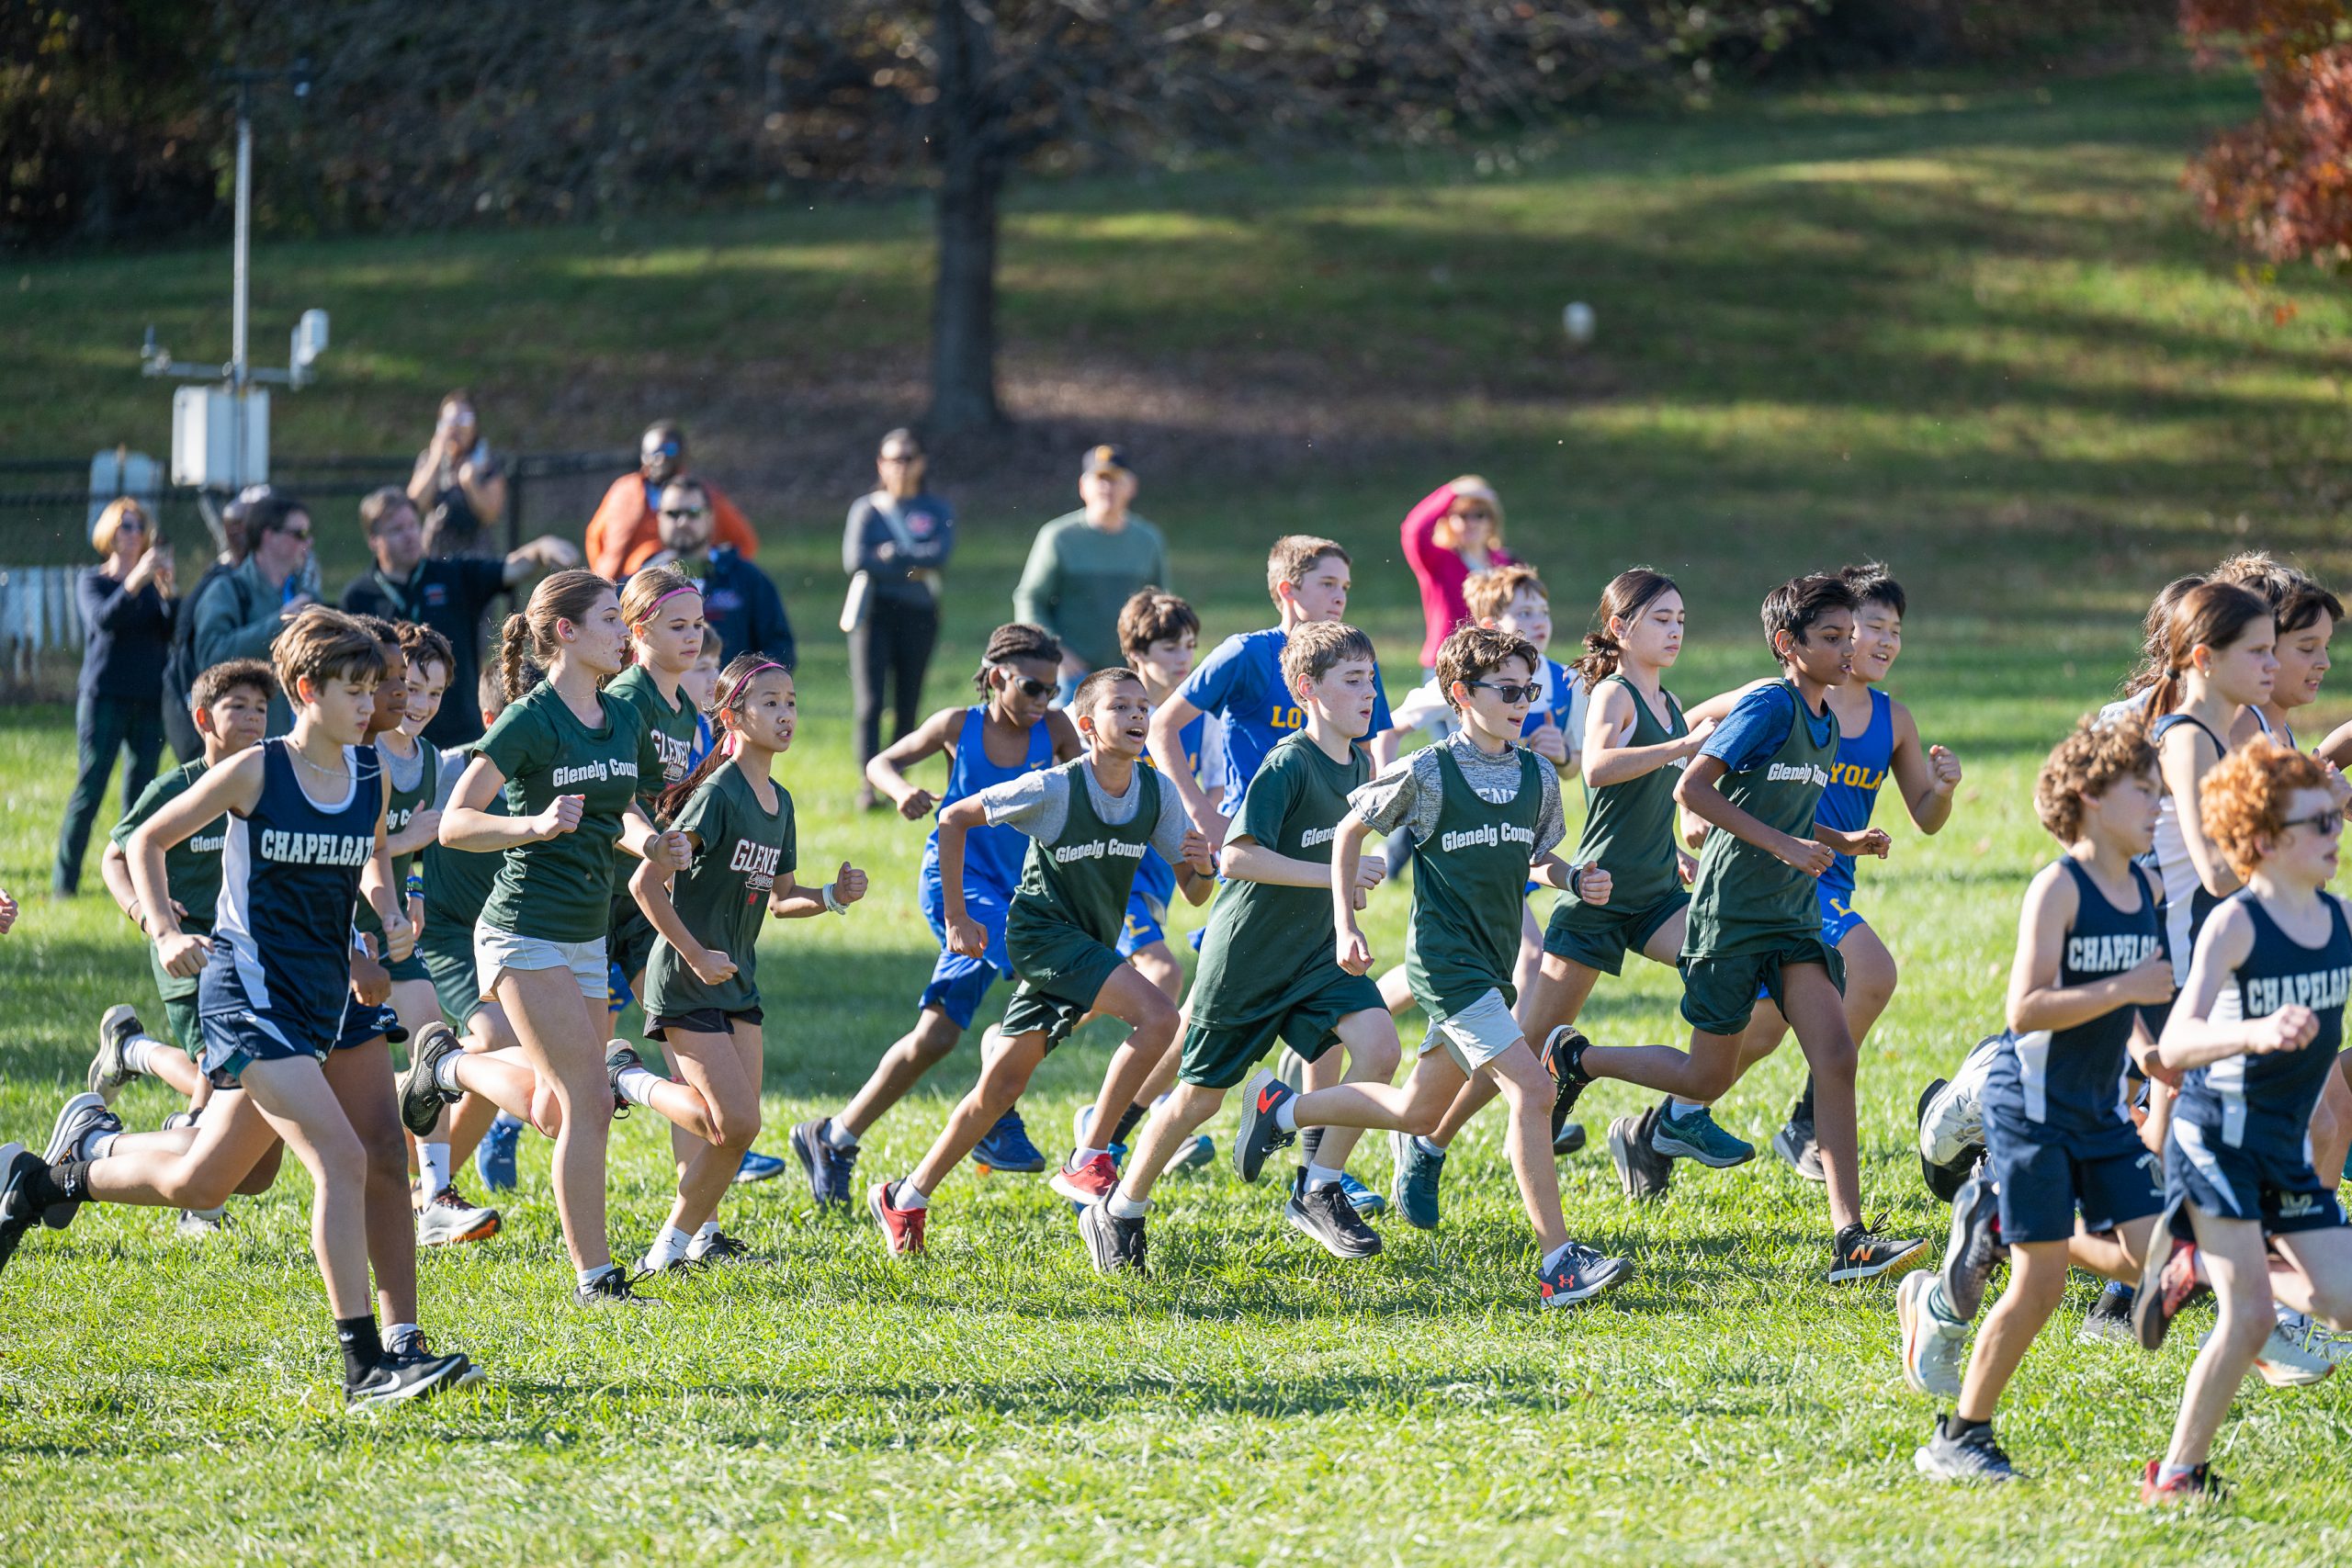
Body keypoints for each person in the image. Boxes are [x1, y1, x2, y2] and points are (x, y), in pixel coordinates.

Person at [0, 608, 474, 1405]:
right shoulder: (257, 771)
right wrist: (160, 930)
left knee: (213, 1180)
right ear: (304, 691)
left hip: (324, 995)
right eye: (354, 689)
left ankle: (52, 1178)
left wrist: (384, 920)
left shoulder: (369, 775)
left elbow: (368, 859)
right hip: (247, 997)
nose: (373, 703)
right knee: (343, 1158)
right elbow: (145, 841)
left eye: (375, 688)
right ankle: (366, 1369)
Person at [1548, 574, 1927, 1280]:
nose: (1850, 650)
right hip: (1730, 918)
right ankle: (1579, 1059)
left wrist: (1840, 843)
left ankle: (1851, 1238)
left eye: (1854, 636)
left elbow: (1783, 802)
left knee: (1835, 1054)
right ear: (1788, 644)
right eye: (1833, 638)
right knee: (1707, 1076)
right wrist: (1786, 846)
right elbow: (1694, 787)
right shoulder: (1766, 704)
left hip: (1791, 915)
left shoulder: (1822, 717)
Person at [1294, 623, 1630, 1305]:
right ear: (1460, 693)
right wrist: (1345, 924)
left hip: (1493, 964)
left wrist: (1574, 878)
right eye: (1506, 689)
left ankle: (1281, 1111)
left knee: (1419, 1112)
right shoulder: (1429, 770)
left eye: (1529, 689)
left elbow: (1533, 854)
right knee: (1535, 1091)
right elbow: (1350, 827)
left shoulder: (1536, 773)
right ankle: (1558, 1263)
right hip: (1446, 968)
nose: (1522, 702)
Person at [1392, 569, 1714, 1230]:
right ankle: (1429, 1142)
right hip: (1593, 899)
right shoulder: (1613, 695)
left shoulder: (1670, 701)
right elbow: (1596, 770)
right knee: (1522, 1040)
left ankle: (1684, 1113)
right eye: (1661, 618)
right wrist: (1681, 748)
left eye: (1681, 618)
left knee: (1719, 963)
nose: (1675, 629)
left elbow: (1633, 795)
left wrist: (1673, 847)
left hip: (1652, 892)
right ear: (1621, 628)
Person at [1898, 718, 2173, 1482]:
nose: (2157, 806)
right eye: (2142, 792)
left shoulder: (2144, 885)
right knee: (2040, 1284)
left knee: (2155, 1258)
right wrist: (2126, 990)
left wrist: (2156, 1055)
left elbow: (2142, 1000)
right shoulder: (2060, 886)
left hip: (2099, 1105)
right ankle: (1960, 1435)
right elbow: (2025, 1008)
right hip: (2035, 1103)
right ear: (2087, 798)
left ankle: (1994, 1216)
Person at [866, 669, 1213, 1254]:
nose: (1136, 717)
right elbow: (953, 819)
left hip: (1086, 946)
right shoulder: (1055, 788)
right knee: (1159, 1017)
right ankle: (1091, 1154)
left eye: (1143, 707)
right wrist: (957, 916)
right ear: (1085, 727)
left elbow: (1197, 891)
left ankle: (904, 1196)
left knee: (999, 1088)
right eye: (1120, 707)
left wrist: (1201, 863)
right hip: (1041, 937)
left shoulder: (1156, 794)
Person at [1083, 623, 1390, 1269]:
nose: (1370, 693)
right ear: (1308, 689)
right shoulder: (1288, 763)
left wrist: (1349, 901)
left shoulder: (1360, 763)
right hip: (1248, 954)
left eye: (1372, 678)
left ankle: (1320, 1186)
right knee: (1199, 1098)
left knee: (1381, 1049)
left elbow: (1338, 848)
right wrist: (1336, 873)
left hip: (1314, 953)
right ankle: (1120, 1207)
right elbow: (1241, 860)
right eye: (1354, 680)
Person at [435, 570, 692, 1304]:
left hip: (587, 937)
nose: (625, 631)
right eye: (613, 618)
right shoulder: (530, 719)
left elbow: (627, 810)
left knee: (559, 1108)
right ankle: (596, 1278)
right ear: (567, 633)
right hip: (522, 932)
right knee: (586, 1094)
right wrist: (534, 825)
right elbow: (456, 822)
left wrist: (652, 845)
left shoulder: (621, 716)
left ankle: (448, 1069)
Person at [1145, 536, 1395, 1213]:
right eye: (1327, 584)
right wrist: (1202, 811)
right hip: (1259, 860)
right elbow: (1166, 727)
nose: (1340, 596)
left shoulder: (1352, 666)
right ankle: (1117, 1135)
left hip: (1314, 870)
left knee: (1343, 1028)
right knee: (1195, 1035)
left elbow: (1379, 750)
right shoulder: (1248, 658)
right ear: (1288, 590)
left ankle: (1316, 1173)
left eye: (1346, 585)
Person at [2132, 739, 2352, 1504]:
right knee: (2251, 1313)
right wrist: (2253, 1033)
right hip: (2215, 1140)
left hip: (2283, 1149)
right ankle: (2176, 1474)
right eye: (2318, 822)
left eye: (2337, 815)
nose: (2337, 831)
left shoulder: (2341, 917)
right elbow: (2175, 1044)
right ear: (2263, 841)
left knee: (2345, 1304)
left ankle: (2195, 1263)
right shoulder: (2237, 926)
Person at [791, 626, 1081, 1203]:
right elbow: (881, 762)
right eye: (1031, 688)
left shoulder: (1054, 730)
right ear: (997, 677)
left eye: (1053, 690)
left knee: (937, 1036)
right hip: (957, 885)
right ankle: (996, 1113)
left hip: (1020, 890)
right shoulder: (958, 726)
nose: (1044, 701)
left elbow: (1092, 785)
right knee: (1042, 970)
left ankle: (834, 1135)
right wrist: (900, 791)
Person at [1705, 564, 1963, 1181]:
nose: (1882, 641)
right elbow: (1693, 731)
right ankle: (1806, 1123)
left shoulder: (1892, 719)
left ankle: (1662, 1125)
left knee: (1760, 1032)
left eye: (1894, 629)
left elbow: (1925, 816)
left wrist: (1946, 789)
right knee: (1871, 971)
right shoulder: (1782, 697)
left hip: (1827, 874)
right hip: (1779, 874)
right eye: (1871, 625)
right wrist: (1691, 815)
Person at [619, 656, 868, 1272]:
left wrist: (833, 894)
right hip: (685, 978)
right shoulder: (717, 794)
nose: (786, 714)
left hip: (737, 981)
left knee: (738, 1131)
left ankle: (669, 1251)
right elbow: (646, 886)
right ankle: (627, 1079)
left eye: (791, 701)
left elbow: (781, 898)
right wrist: (695, 953)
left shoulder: (779, 800)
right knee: (733, 1119)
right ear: (732, 715)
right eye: (771, 703)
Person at [91, 657, 279, 1233]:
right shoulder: (176, 787)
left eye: (261, 709)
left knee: (223, 1063)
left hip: (245, 947)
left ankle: (132, 1052)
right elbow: (117, 854)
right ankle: (202, 1202)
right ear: (203, 718)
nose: (252, 718)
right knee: (213, 1059)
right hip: (187, 947)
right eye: (237, 707)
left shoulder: (270, 780)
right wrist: (149, 917)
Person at [339, 487, 579, 749]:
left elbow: (511, 568)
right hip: (391, 736)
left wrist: (541, 548)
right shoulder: (358, 596)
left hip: (461, 732)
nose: (409, 535)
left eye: (412, 525)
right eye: (397, 530)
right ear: (374, 540)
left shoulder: (451, 574)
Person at [56, 498, 176, 895]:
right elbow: (105, 620)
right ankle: (65, 884)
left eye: (139, 526)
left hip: (148, 700)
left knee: (141, 796)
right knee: (90, 789)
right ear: (110, 532)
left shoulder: (151, 587)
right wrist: (135, 581)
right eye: (126, 525)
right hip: (105, 697)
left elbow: (171, 632)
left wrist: (167, 590)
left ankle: (131, 882)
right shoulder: (94, 581)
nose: (134, 533)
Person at [844, 429, 955, 807]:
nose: (901, 466)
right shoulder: (866, 509)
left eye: (909, 457)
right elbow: (856, 560)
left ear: (921, 463)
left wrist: (890, 557)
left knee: (909, 699)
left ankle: (897, 781)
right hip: (874, 612)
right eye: (893, 458)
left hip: (919, 613)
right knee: (870, 702)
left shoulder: (937, 509)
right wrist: (910, 562)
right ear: (880, 463)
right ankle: (867, 784)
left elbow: (940, 555)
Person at [1012, 446, 1170, 701]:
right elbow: (1030, 599)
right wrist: (1055, 651)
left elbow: (1161, 607)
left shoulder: (1148, 540)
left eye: (1116, 480)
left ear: (1132, 487)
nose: (1108, 488)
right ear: (1082, 487)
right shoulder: (1059, 537)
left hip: (1129, 674)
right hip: (1070, 675)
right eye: (1100, 480)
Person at [189, 492, 317, 736]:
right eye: (299, 534)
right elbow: (210, 655)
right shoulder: (227, 590)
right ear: (269, 536)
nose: (307, 543)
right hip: (247, 744)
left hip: (301, 746)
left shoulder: (306, 593)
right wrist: (280, 623)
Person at [636, 478, 794, 671]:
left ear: (710, 517)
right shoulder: (641, 583)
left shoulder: (747, 579)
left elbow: (779, 648)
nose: (683, 522)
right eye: (673, 513)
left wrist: (743, 690)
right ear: (659, 518)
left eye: (693, 513)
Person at [585, 421, 758, 581]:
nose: (660, 459)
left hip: (693, 578)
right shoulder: (626, 492)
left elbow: (743, 540)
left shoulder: (701, 494)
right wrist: (607, 571)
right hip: (637, 580)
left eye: (668, 451)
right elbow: (595, 536)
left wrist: (727, 572)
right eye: (653, 453)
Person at [1400, 476, 1516, 677]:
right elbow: (1413, 530)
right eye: (1462, 515)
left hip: (1495, 661)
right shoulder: (1438, 560)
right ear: (1449, 520)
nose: (1470, 523)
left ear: (1492, 520)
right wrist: (1452, 492)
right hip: (1448, 661)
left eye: (1479, 515)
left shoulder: (1505, 562)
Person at [406, 390, 506, 558]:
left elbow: (491, 514)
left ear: (474, 426)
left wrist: (471, 483)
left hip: (477, 557)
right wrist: (435, 459)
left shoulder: (488, 462)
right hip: (435, 555)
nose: (456, 427)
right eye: (450, 421)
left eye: (464, 420)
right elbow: (414, 504)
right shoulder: (429, 459)